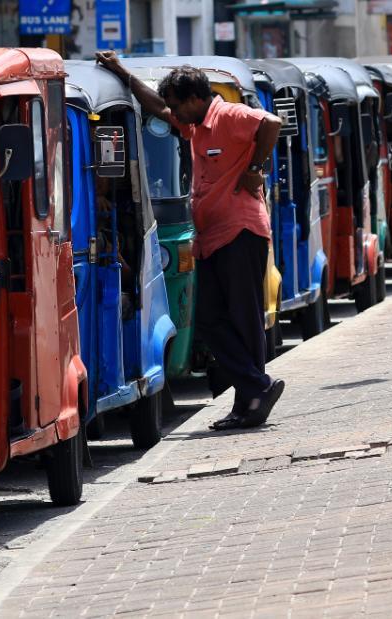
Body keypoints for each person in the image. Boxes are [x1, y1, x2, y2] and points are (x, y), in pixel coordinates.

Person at [96, 51, 285, 430]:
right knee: (211, 321)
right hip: (213, 238)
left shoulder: (228, 116)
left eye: (178, 106)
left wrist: (254, 168)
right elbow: (156, 106)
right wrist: (121, 72)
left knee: (243, 320)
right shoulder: (194, 126)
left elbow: (272, 123)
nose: (174, 114)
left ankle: (252, 398)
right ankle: (255, 390)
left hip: (240, 232)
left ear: (197, 99)